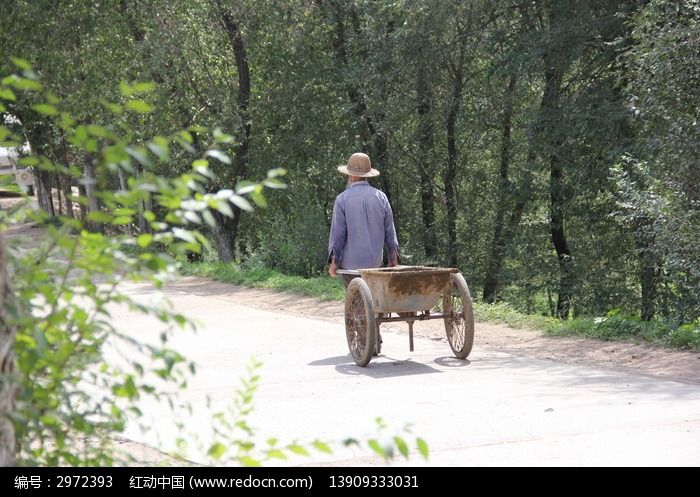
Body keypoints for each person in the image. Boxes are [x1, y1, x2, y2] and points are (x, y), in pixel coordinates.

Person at [327, 152, 399, 287]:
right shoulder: (381, 197)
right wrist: (393, 259)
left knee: (356, 302)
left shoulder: (342, 199)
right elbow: (390, 231)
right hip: (375, 266)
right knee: (374, 300)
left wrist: (334, 263)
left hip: (351, 267)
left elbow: (338, 235)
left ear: (350, 174)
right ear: (367, 174)